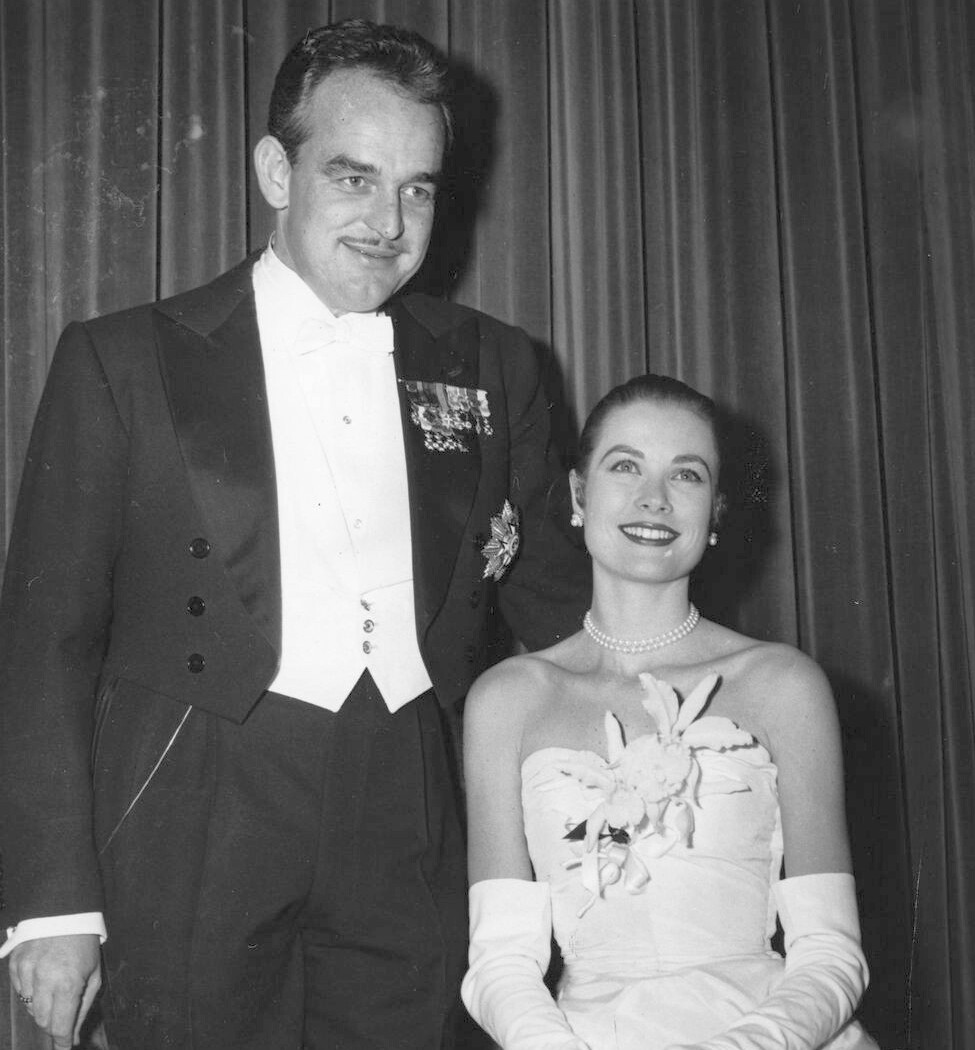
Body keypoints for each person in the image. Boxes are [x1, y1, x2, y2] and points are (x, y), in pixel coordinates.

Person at [0, 19, 589, 1050]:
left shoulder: (496, 363)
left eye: (418, 189)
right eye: (353, 178)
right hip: (196, 800)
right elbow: (45, 642)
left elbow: (561, 611)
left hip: (412, 801)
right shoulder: (123, 361)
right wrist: (53, 904)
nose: (389, 222)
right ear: (277, 171)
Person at [461, 374, 880, 1049]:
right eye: (625, 466)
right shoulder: (507, 700)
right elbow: (499, 961)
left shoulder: (782, 685)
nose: (653, 497)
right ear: (578, 494)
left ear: (715, 511)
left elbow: (830, 953)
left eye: (686, 475)